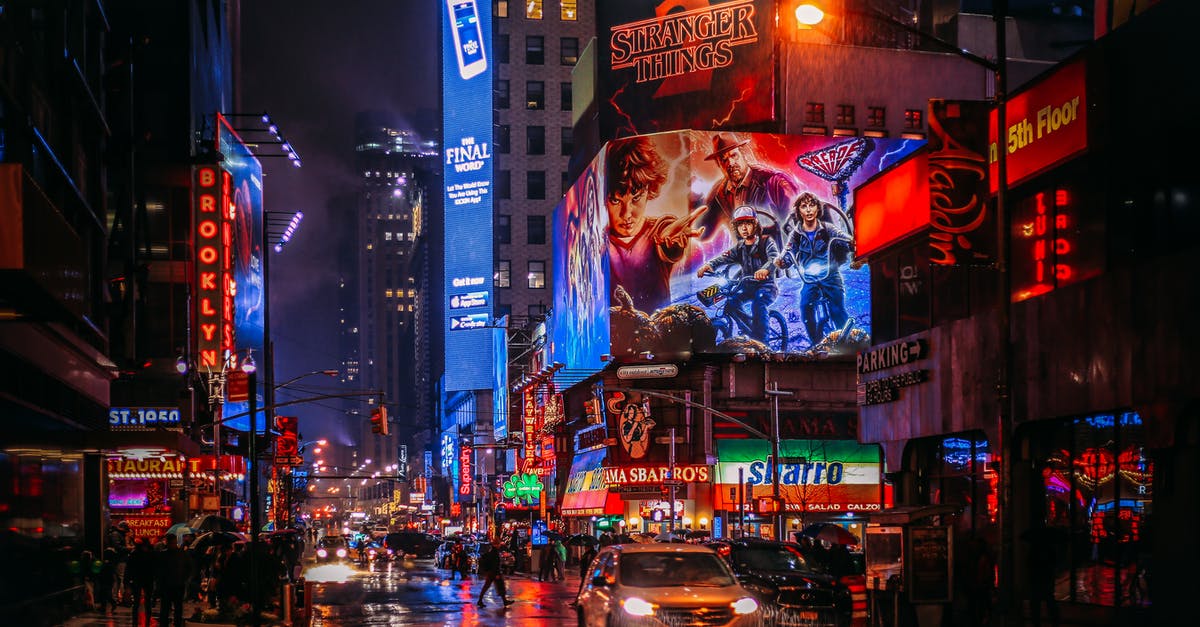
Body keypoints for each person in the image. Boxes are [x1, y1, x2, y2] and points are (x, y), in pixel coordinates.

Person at [605, 135, 706, 312]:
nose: (627, 213)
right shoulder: (596, 244)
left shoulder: (659, 230)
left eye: (636, 198)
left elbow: (668, 239)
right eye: (616, 201)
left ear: (649, 191)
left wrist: (671, 244)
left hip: (659, 332)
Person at [775, 192, 854, 346]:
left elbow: (843, 238)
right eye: (804, 206)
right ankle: (816, 344)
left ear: (818, 208)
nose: (809, 210)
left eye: (812, 205)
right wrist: (782, 261)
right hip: (810, 279)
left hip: (830, 275)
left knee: (837, 309)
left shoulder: (827, 228)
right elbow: (788, 251)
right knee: (805, 308)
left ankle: (848, 343)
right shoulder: (796, 234)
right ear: (799, 211)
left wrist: (851, 243)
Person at [696, 206, 780, 343]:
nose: (744, 228)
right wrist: (709, 265)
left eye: (747, 223)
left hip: (766, 286)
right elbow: (724, 258)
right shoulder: (739, 247)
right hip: (746, 285)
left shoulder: (766, 242)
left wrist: (765, 270)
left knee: (758, 304)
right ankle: (750, 328)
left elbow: (774, 259)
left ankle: (763, 342)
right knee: (732, 301)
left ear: (755, 225)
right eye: (740, 225)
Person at [699, 132, 798, 246]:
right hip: (749, 259)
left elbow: (797, 225)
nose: (730, 163)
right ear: (719, 164)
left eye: (733, 155)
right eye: (724, 160)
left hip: (776, 258)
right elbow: (704, 232)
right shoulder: (721, 194)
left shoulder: (775, 182)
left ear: (743, 154)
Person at [156, 533, 192, 627]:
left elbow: (159, 571)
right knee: (174, 608)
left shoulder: (165, 554)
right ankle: (174, 624)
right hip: (174, 584)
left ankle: (171, 624)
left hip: (173, 584)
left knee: (169, 608)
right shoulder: (181, 554)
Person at [125, 539, 156, 627]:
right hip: (146, 579)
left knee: (138, 601)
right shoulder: (151, 553)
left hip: (138, 579)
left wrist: (127, 582)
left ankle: (136, 622)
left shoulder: (135, 553)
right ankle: (145, 621)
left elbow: (129, 568)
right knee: (146, 601)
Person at [477, 539, 514, 608]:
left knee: (489, 586)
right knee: (500, 586)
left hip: (492, 572)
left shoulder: (492, 551)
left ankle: (480, 600)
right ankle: (504, 601)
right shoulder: (494, 552)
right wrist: (497, 574)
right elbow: (495, 564)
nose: (500, 545)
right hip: (494, 572)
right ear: (496, 544)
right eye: (499, 544)